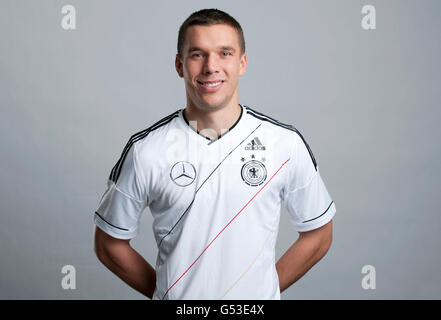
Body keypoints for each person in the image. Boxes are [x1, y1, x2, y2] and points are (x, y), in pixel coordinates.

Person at [93, 8, 336, 300]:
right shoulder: (147, 150)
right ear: (179, 65)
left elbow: (319, 234)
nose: (211, 66)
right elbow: (109, 244)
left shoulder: (285, 144)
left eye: (224, 53)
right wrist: (166, 293)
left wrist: (263, 291)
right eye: (197, 54)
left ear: (242, 63)